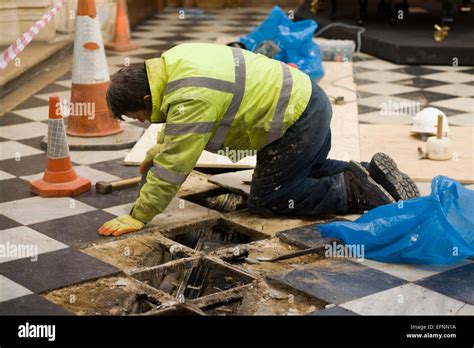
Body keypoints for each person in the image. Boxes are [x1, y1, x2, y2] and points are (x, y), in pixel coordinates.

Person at [98, 43, 419, 236]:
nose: (145, 122)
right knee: (308, 170)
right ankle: (371, 174)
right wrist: (158, 148)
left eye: (140, 116)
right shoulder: (174, 61)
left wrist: (138, 216)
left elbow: (174, 166)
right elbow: (177, 121)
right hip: (308, 101)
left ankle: (353, 190)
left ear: (145, 96)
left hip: (297, 121)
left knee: (270, 198)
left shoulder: (191, 97)